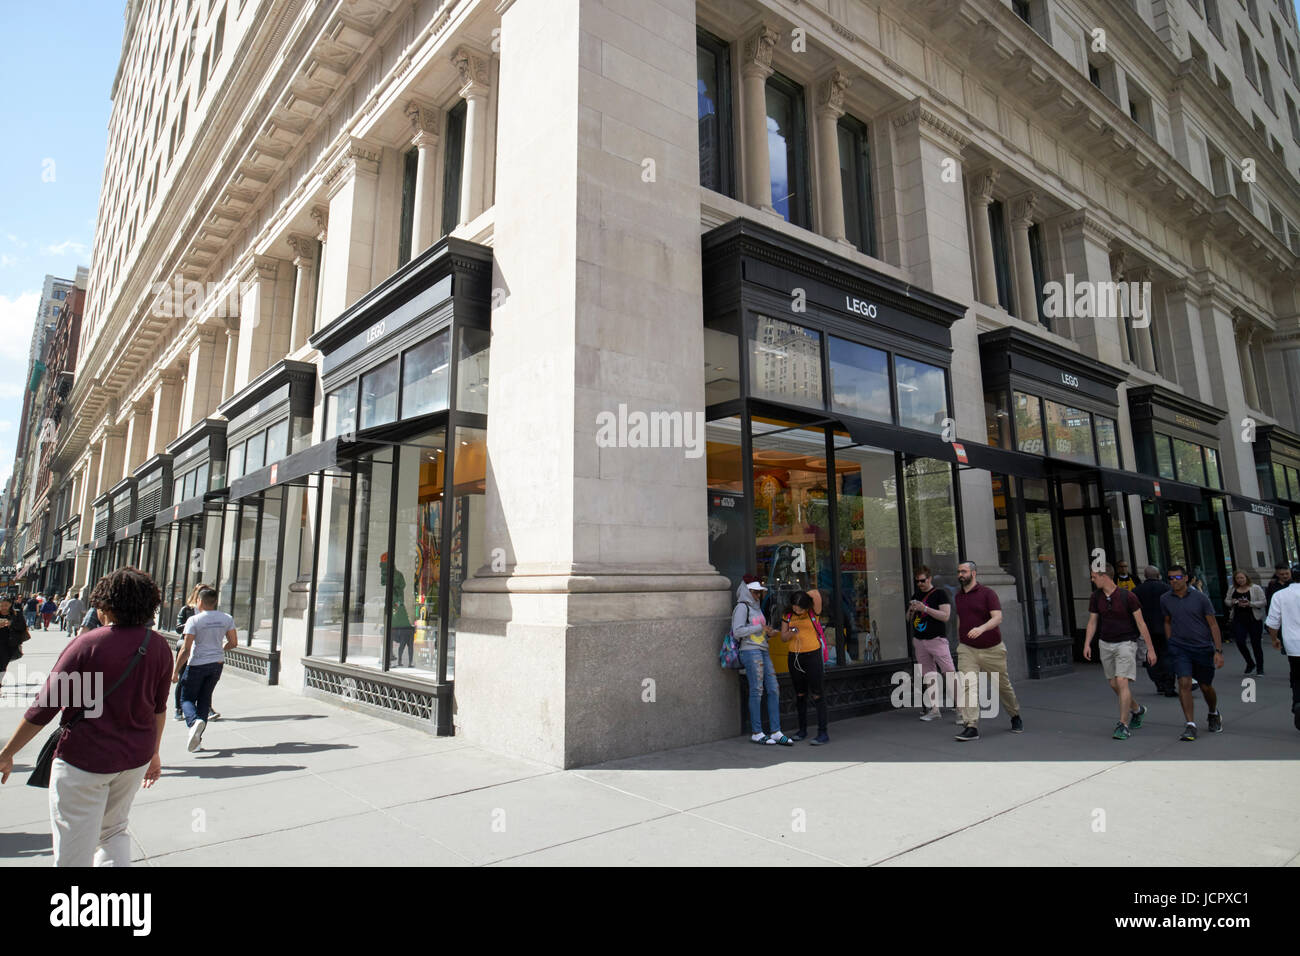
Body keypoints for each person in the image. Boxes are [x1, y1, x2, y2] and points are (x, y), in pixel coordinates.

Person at [0, 568, 172, 866]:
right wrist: (154, 753)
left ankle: (76, 908)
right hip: (135, 757)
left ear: (106, 605)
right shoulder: (157, 645)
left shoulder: (88, 644)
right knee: (114, 831)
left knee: (73, 842)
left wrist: (7, 753)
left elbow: (44, 707)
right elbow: (159, 708)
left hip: (85, 758)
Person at [1082, 564, 1157, 739]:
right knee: (1114, 684)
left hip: (1126, 643)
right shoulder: (1095, 597)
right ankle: (1137, 710)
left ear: (1104, 576)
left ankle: (1123, 724)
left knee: (1122, 682)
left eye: (1094, 577)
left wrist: (1150, 649)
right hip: (1105, 643)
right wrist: (1087, 643)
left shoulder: (1128, 596)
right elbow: (1092, 621)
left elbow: (1141, 623)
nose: (1092, 580)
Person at [952, 561, 1023, 741]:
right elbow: (960, 619)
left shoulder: (987, 593)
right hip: (967, 649)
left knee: (1003, 685)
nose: (960, 574)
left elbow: (998, 617)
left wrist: (981, 629)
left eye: (964, 571)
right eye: (959, 571)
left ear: (973, 573)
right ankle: (971, 726)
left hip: (992, 649)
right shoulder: (958, 596)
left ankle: (1015, 715)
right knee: (968, 686)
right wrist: (960, 638)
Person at [1161, 564, 1225, 741]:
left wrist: (1218, 651)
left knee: (1205, 686)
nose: (1174, 581)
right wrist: (1170, 641)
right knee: (1184, 683)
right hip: (1180, 648)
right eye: (1171, 578)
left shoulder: (1200, 598)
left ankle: (1213, 712)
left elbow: (1213, 624)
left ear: (1186, 578)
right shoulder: (1165, 599)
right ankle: (1190, 725)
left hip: (1202, 648)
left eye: (1178, 577)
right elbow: (1167, 621)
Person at [173, 587, 237, 753]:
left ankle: (194, 722)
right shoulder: (226, 618)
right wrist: (222, 647)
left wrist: (175, 670)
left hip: (197, 663)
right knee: (204, 698)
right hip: (216, 663)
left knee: (186, 698)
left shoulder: (194, 620)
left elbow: (186, 649)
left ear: (199, 601)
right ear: (215, 601)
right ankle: (197, 740)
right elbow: (233, 642)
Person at [733, 576, 793, 746]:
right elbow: (737, 631)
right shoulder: (741, 607)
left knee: (773, 688)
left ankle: (775, 731)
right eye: (755, 592)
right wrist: (760, 628)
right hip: (750, 651)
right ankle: (757, 732)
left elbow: (757, 631)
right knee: (757, 690)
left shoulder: (757, 608)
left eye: (759, 593)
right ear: (747, 591)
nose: (758, 596)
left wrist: (768, 632)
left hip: (763, 650)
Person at [907, 565, 953, 721]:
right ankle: (934, 709)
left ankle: (962, 710)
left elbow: (945, 616)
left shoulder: (940, 594)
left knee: (949, 673)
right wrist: (912, 610)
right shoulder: (917, 594)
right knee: (929, 675)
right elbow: (908, 619)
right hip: (920, 640)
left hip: (937, 639)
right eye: (917, 581)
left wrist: (925, 608)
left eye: (922, 580)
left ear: (930, 578)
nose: (920, 584)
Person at [782, 591, 829, 744]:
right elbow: (783, 638)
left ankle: (823, 733)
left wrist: (803, 596)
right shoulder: (788, 615)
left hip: (813, 656)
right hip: (795, 657)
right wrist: (791, 632)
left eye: (800, 608)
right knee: (800, 694)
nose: (797, 610)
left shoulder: (813, 611)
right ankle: (802, 730)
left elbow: (815, 593)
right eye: (794, 606)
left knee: (817, 694)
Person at [172, 584, 220, 720]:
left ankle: (208, 708)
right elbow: (178, 628)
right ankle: (178, 708)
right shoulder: (187, 610)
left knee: (206, 681)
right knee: (184, 679)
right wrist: (192, 624)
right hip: (188, 646)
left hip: (203, 649)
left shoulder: (211, 613)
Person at [1264, 578, 1300, 731]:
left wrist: (1274, 639)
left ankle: (1298, 701)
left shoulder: (1280, 595)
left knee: (1297, 675)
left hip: (1293, 643)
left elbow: (1272, 623)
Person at [1134, 566, 1174, 696]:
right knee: (1167, 655)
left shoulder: (1136, 591)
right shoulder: (1167, 588)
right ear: (1158, 575)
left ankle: (1159, 683)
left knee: (1151, 654)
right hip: (1165, 627)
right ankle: (1168, 685)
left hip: (1146, 628)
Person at [1225, 570, 1266, 675]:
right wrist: (1233, 602)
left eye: (1242, 578)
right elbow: (1227, 601)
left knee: (1256, 644)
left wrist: (1250, 604)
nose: (1240, 580)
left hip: (1254, 619)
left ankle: (1260, 668)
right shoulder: (1232, 589)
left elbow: (1263, 602)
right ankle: (1250, 662)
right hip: (1238, 619)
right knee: (1240, 641)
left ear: (1246, 578)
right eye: (1238, 578)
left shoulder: (1255, 588)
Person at [0, 595, 30, 678]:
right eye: (1, 605)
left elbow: (23, 627)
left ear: (10, 605)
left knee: (2, 665)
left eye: (6, 605)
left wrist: (11, 624)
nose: (3, 607)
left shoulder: (16, 614)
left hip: (9, 644)